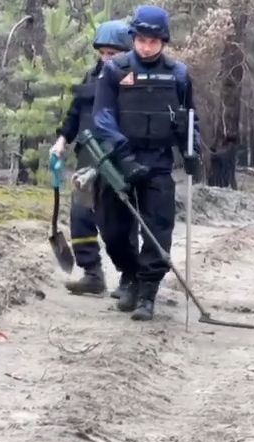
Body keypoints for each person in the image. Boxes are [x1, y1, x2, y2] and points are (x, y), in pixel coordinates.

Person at [92, 5, 201, 321]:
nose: (147, 46)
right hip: (119, 161)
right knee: (112, 228)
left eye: (154, 41)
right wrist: (121, 154)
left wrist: (191, 151)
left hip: (158, 162)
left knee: (157, 229)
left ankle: (147, 292)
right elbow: (102, 117)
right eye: (141, 39)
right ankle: (129, 274)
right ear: (134, 38)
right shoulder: (115, 70)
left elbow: (190, 118)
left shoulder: (178, 74)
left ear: (163, 41)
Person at [50, 20, 137, 298]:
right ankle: (92, 273)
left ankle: (130, 278)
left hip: (118, 160)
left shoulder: (134, 80)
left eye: (113, 53)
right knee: (80, 214)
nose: (107, 58)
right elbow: (75, 114)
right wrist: (62, 141)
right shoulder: (90, 77)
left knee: (120, 222)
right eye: (103, 53)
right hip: (88, 159)